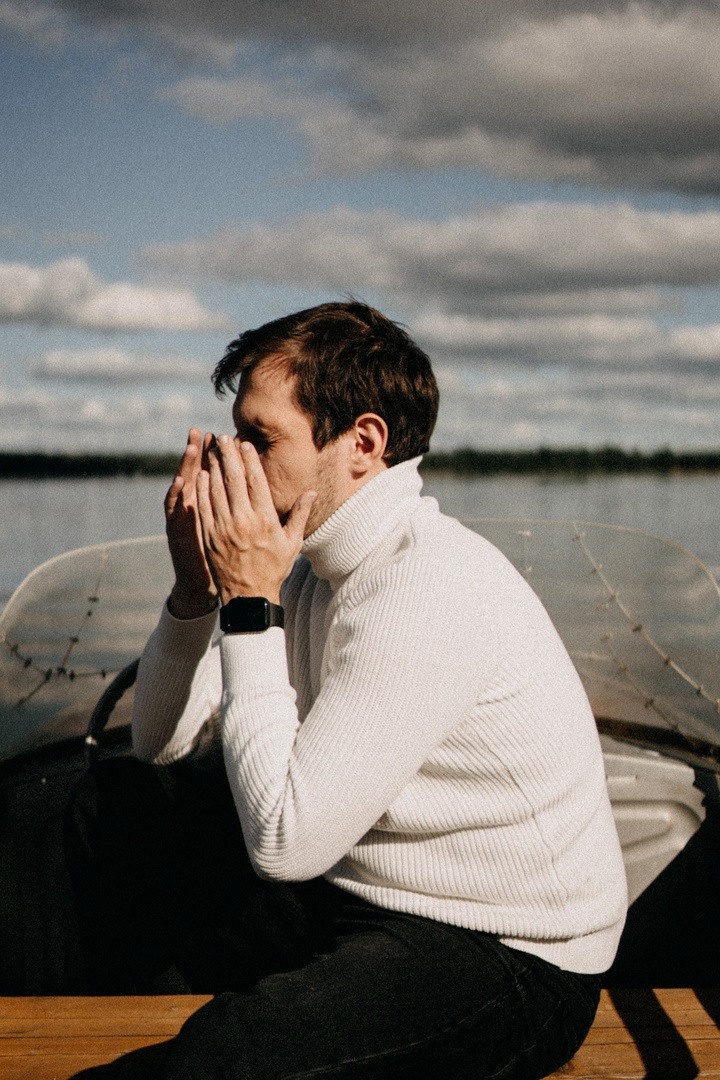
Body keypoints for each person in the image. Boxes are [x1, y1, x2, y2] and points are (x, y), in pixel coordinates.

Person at [69, 301, 627, 1080]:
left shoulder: (427, 584)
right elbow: (160, 742)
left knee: (226, 1057)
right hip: (356, 893)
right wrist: (196, 590)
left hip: (509, 954)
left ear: (362, 443)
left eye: (260, 439)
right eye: (232, 436)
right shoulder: (310, 570)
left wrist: (249, 600)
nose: (232, 463)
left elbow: (283, 844)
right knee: (116, 803)